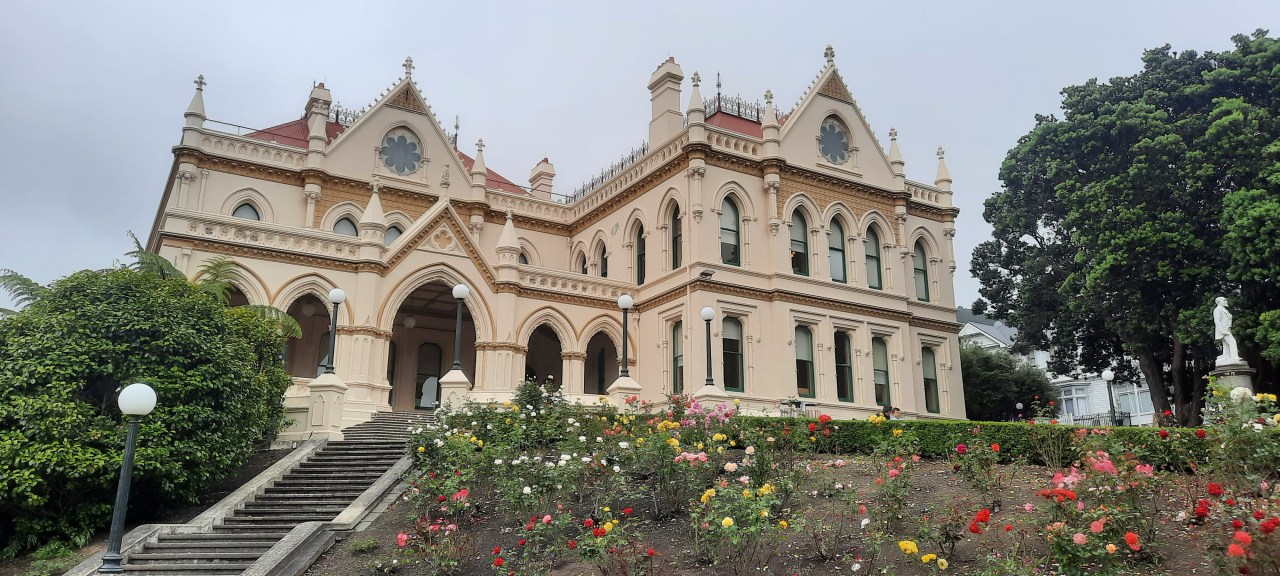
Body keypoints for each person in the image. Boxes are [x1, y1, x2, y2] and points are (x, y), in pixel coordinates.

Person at [1213, 296, 1242, 364]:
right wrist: (1222, 330)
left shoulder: (1224, 309)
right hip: (1224, 330)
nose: (1226, 301)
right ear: (1219, 302)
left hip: (1227, 329)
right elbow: (1217, 321)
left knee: (1226, 345)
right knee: (1232, 342)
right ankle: (1235, 357)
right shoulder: (1217, 309)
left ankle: (1226, 357)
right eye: (1224, 300)